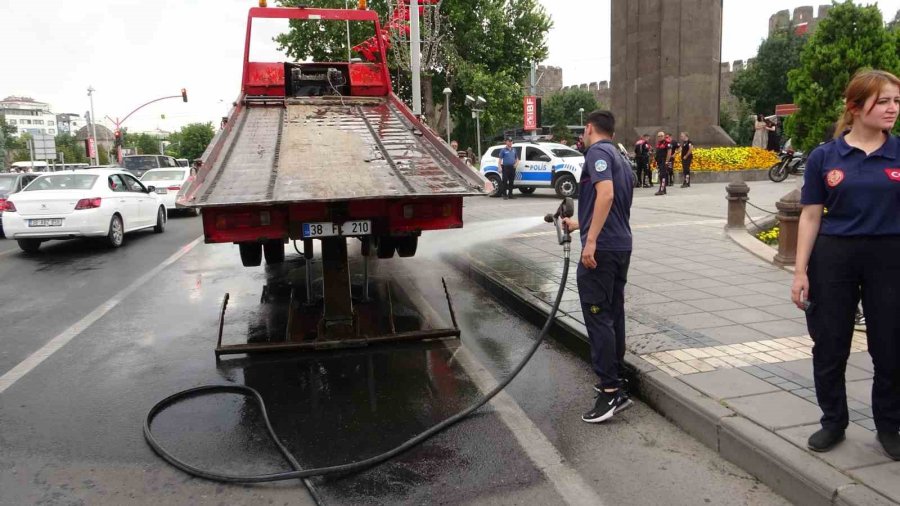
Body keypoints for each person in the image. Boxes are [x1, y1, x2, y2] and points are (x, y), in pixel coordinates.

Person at [791, 69, 900, 460]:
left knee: (890, 346)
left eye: (896, 101)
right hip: (834, 257)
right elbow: (809, 215)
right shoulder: (826, 156)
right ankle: (833, 421)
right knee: (830, 343)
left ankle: (889, 425)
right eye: (883, 101)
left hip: (889, 258)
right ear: (855, 107)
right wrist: (801, 271)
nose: (892, 109)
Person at [561, 110, 635, 423]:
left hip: (601, 251)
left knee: (597, 316)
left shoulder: (596, 153)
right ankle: (617, 380)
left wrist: (590, 242)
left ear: (589, 128)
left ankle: (609, 393)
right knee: (612, 313)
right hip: (619, 246)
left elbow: (605, 194)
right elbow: (614, 204)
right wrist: (580, 224)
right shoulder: (620, 157)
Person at [653, 131, 672, 195]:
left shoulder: (667, 143)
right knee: (661, 176)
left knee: (662, 176)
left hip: (664, 161)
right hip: (659, 162)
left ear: (664, 136)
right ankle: (664, 190)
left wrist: (667, 161)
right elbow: (657, 152)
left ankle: (661, 190)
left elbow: (669, 152)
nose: (660, 137)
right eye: (658, 136)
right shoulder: (659, 143)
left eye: (661, 136)